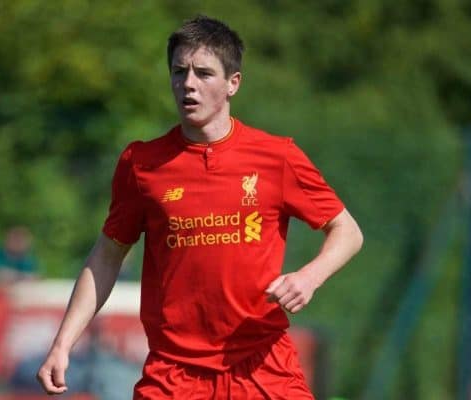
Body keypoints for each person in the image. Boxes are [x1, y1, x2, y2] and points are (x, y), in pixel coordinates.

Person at [37, 15, 363, 399]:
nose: (188, 84)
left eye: (204, 73)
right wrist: (62, 344)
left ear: (232, 84)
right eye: (179, 71)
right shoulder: (142, 163)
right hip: (175, 375)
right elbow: (106, 257)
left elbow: (347, 232)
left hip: (262, 367)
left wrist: (309, 277)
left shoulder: (278, 157)